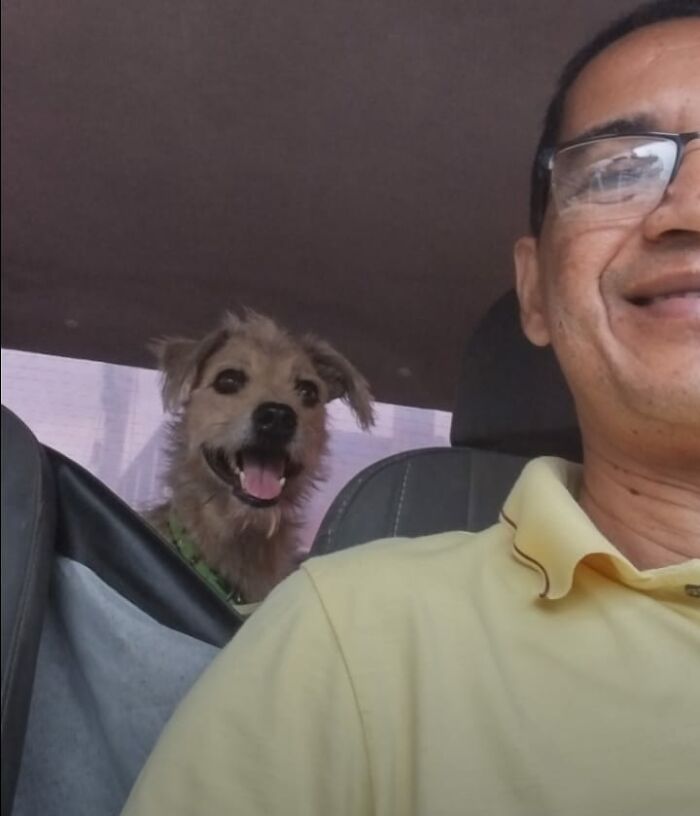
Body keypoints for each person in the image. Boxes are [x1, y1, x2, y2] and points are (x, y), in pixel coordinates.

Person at [122, 2, 699, 813]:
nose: (689, 207)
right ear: (532, 291)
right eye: (616, 168)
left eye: (306, 395)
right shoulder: (349, 631)